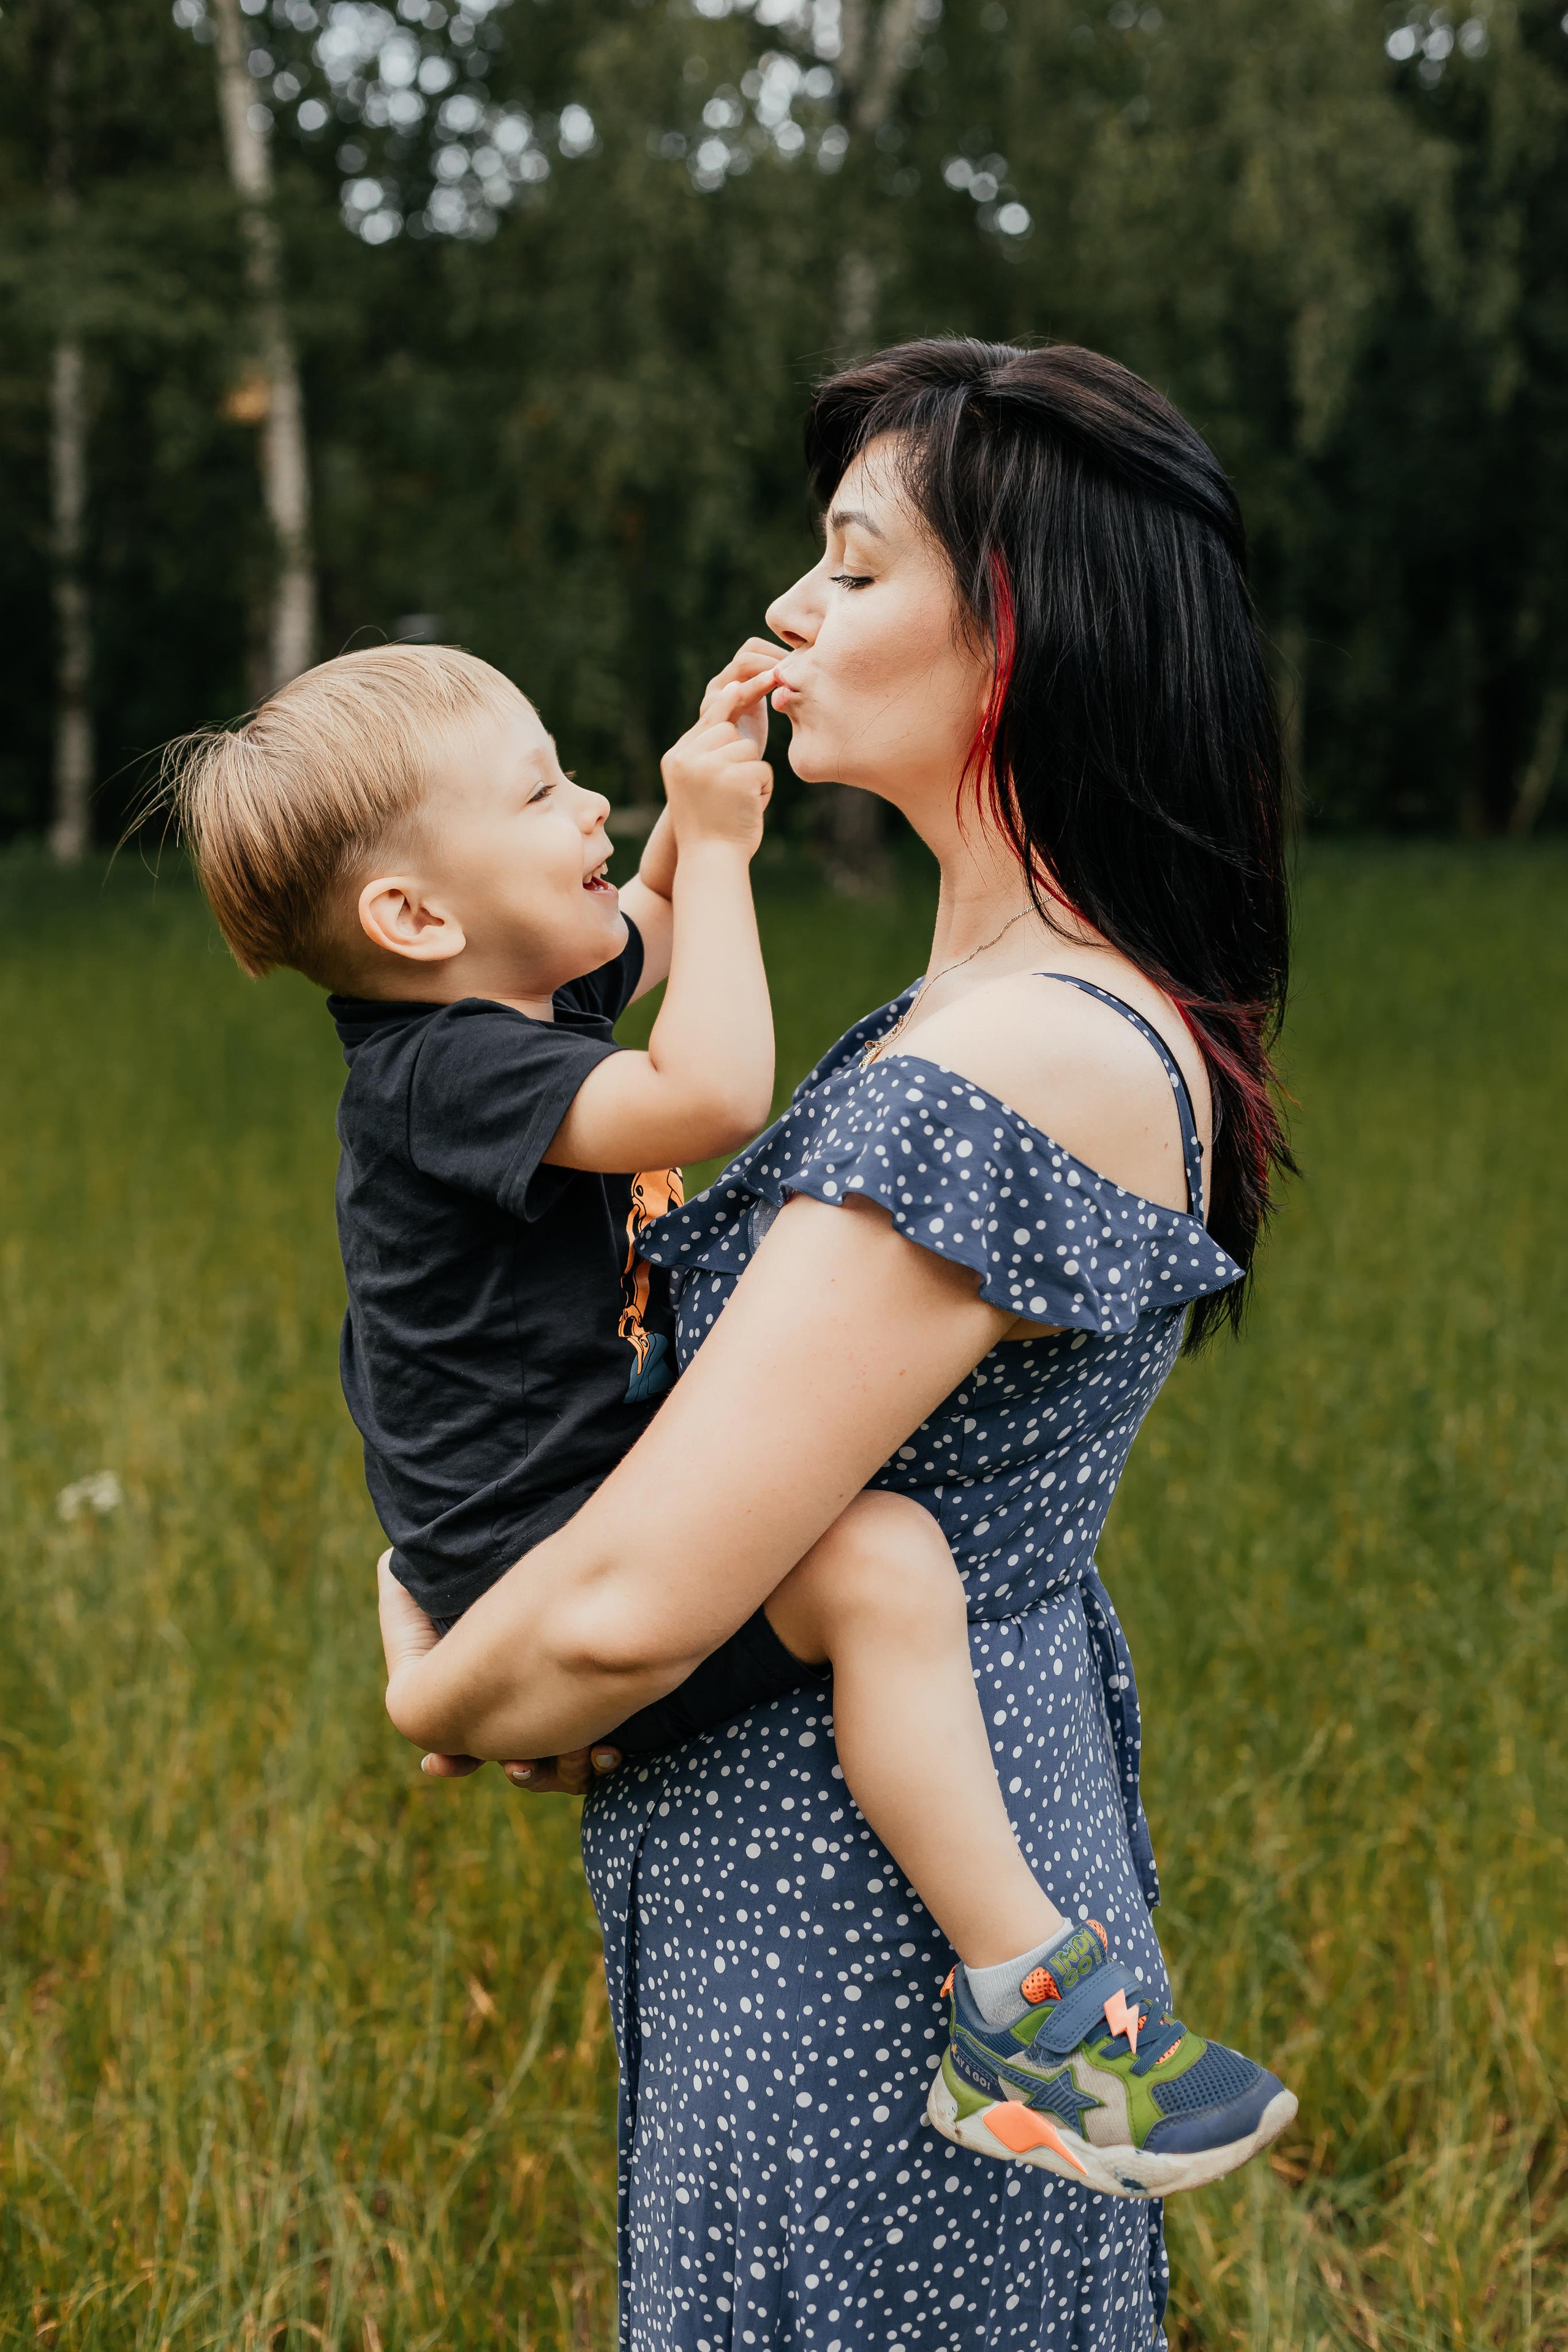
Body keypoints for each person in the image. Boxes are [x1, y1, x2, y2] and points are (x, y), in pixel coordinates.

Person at [376, 337, 1298, 2345]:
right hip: (842, 1884)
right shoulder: (1012, 1012)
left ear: (1017, 638)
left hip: (862, 1967)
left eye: (856, 567)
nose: (792, 607)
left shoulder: (1027, 1054)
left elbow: (630, 1613)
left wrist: (447, 1691)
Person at [167, 629, 1287, 2215]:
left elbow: (665, 913)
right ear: (414, 919)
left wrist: (712, 783)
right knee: (885, 1563)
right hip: (535, 1537)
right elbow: (710, 1094)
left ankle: (1027, 2006)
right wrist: (746, 854)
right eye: (545, 789)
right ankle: (1027, 2012)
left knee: (868, 1560)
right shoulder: (443, 1068)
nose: (596, 808)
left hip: (540, 1505)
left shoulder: (509, 987)